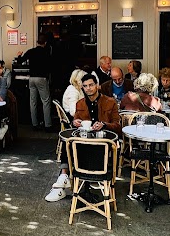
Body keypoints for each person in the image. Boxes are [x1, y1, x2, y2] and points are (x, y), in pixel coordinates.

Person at [44, 74, 121, 202]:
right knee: (67, 141)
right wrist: (76, 122)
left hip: (103, 145)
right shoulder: (80, 103)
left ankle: (64, 181)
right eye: (85, 86)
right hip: (85, 142)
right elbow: (76, 121)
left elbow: (118, 127)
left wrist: (104, 125)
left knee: (73, 146)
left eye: (91, 85)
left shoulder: (110, 102)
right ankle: (63, 177)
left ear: (97, 85)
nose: (88, 88)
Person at [18, 34, 53, 131]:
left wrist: (19, 55)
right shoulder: (46, 52)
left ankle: (34, 124)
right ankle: (48, 125)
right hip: (42, 78)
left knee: (32, 102)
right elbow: (51, 66)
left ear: (37, 42)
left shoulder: (31, 51)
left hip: (31, 78)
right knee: (45, 101)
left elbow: (20, 61)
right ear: (45, 43)